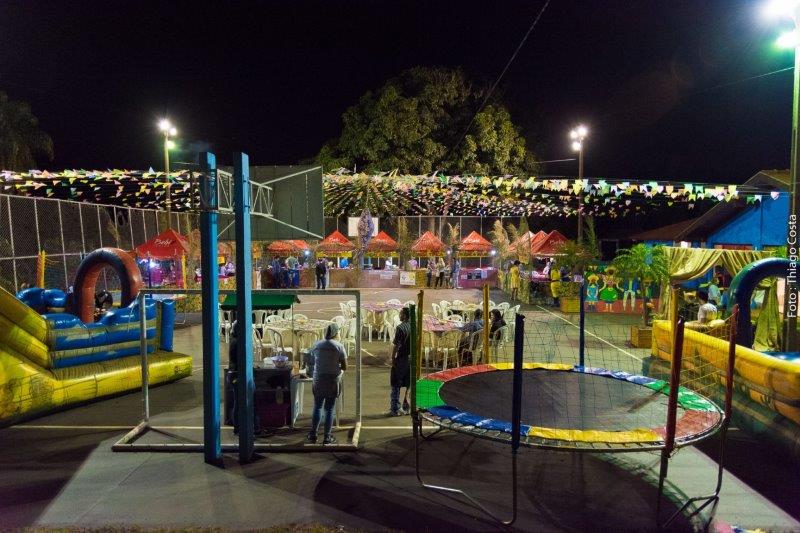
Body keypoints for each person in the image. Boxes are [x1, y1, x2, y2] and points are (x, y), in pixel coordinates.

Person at [307, 323, 347, 444]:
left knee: (317, 406)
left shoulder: (317, 344)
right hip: (332, 379)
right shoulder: (339, 346)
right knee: (329, 408)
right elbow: (345, 366)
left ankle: (313, 434)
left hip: (318, 378)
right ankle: (327, 437)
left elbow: (311, 361)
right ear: (336, 333)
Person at [388, 307, 412, 416]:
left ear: (405, 315)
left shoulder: (400, 328)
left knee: (396, 383)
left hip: (402, 358)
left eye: (401, 314)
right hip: (412, 358)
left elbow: (396, 345)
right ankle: (407, 407)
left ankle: (395, 409)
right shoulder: (415, 327)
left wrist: (393, 358)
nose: (399, 315)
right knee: (409, 383)